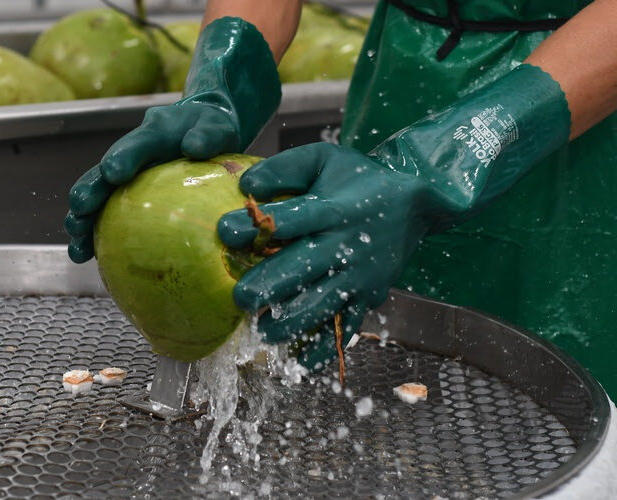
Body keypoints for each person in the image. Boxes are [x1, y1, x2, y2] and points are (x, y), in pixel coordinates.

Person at [65, 0, 617, 396]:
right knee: (386, 372)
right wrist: (225, 75)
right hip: (406, 77)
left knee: (566, 391)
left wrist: (435, 164)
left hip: (578, 103)